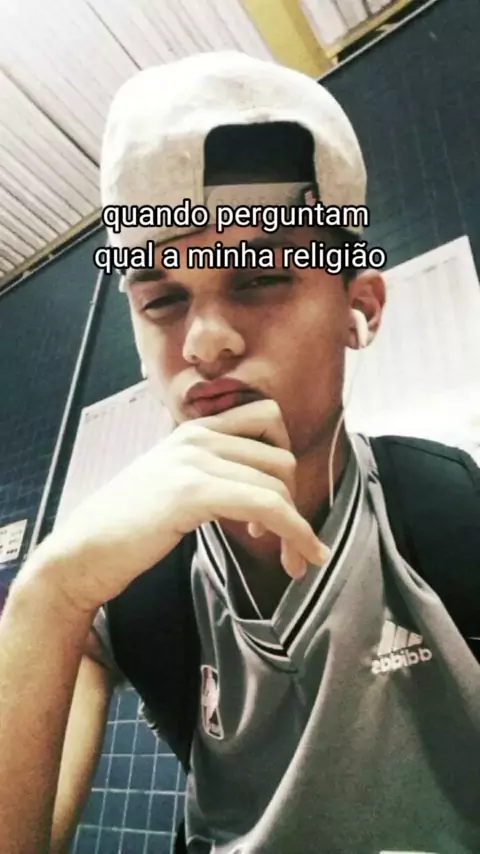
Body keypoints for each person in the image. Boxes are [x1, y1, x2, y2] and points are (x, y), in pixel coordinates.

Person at [0, 50, 478, 854]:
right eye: (162, 300)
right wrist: (46, 594)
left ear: (360, 306)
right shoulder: (114, 593)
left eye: (259, 279)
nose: (206, 342)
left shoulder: (456, 508)